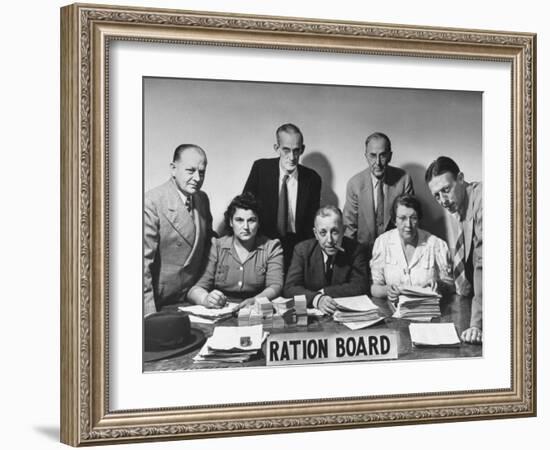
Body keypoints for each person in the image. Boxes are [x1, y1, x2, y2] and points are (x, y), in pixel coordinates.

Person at [143, 144, 213, 317]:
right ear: (173, 169)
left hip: (191, 299)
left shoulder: (202, 199)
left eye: (202, 172)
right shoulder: (151, 202)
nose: (197, 178)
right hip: (159, 303)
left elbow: (207, 247)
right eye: (190, 171)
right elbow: (142, 266)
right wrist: (149, 316)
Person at [243, 123, 321, 269]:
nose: (292, 157)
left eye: (296, 151)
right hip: (263, 243)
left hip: (297, 246)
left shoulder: (312, 179)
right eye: (286, 150)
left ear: (302, 149)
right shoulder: (261, 169)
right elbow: (244, 207)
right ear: (276, 148)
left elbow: (313, 222)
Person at [187, 193, 284, 308]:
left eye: (252, 220)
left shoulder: (271, 247)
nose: (246, 227)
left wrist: (256, 300)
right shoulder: (216, 246)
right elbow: (195, 289)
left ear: (259, 223)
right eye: (239, 220)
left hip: (256, 308)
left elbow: (275, 285)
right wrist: (206, 299)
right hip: (222, 309)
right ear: (230, 222)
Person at [426, 156, 482, 344]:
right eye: (436, 195)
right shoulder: (459, 207)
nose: (443, 200)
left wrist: (477, 324)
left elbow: (485, 265)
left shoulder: (483, 200)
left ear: (460, 178)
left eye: (446, 190)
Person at [284, 205, 370, 315]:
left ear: (343, 231)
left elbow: (361, 285)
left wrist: (325, 292)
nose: (329, 240)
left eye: (334, 232)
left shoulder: (356, 250)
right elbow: (290, 288)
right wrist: (317, 299)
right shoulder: (302, 251)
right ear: (316, 234)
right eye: (323, 233)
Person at [370, 194, 454, 305]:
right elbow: (374, 288)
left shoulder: (436, 244)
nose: (408, 225)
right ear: (394, 220)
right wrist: (387, 290)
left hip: (428, 311)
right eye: (402, 218)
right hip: (394, 313)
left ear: (419, 219)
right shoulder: (382, 242)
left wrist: (439, 284)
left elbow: (451, 286)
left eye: (413, 218)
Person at [343, 132, 414, 247]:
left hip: (397, 250)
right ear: (366, 156)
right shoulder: (354, 184)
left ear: (390, 156)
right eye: (372, 155)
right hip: (364, 254)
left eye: (382, 155)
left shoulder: (404, 180)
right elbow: (349, 229)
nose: (377, 162)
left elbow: (410, 223)